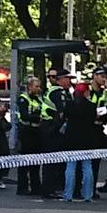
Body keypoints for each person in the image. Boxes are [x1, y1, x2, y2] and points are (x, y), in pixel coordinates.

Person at [40, 69, 74, 199]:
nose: (69, 81)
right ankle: (49, 189)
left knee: (52, 159)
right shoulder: (57, 92)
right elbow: (62, 111)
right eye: (67, 78)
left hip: (50, 127)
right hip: (52, 128)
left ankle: (50, 187)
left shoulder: (55, 91)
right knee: (52, 159)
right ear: (60, 79)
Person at [62, 83, 97, 202]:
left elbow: (65, 117)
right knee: (87, 167)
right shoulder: (91, 106)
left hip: (71, 138)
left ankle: (68, 194)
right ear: (86, 92)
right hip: (87, 139)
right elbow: (93, 120)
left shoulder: (70, 105)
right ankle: (88, 195)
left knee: (70, 167)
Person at [16, 76, 43, 196]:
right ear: (29, 86)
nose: (38, 88)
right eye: (36, 86)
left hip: (36, 131)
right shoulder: (23, 98)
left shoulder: (39, 98)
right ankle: (22, 187)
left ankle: (36, 186)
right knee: (25, 161)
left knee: (35, 161)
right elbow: (25, 115)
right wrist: (39, 117)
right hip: (26, 131)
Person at [88, 66, 107, 197]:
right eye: (102, 76)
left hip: (98, 128)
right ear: (94, 76)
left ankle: (91, 189)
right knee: (85, 161)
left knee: (96, 162)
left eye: (105, 77)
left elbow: (106, 108)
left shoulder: (105, 93)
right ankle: (82, 188)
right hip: (87, 129)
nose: (104, 79)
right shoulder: (86, 90)